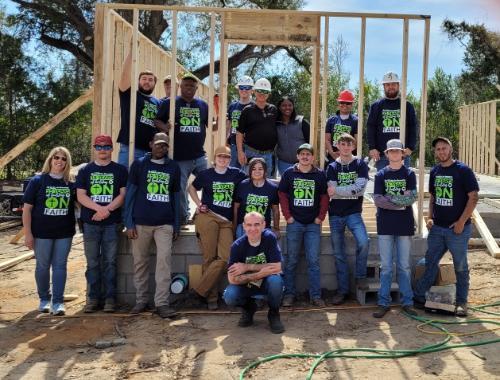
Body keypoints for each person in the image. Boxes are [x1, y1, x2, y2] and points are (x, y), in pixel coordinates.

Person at [414, 137, 479, 317]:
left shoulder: (463, 170)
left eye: (444, 148)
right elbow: (433, 197)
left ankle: (461, 302)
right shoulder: (435, 171)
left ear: (450, 149)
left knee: (460, 266)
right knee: (430, 262)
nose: (441, 151)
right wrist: (429, 217)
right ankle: (419, 297)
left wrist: (460, 222)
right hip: (437, 229)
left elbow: (473, 197)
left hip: (456, 230)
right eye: (438, 149)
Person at [123, 132, 181, 319]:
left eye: (165, 145)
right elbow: (130, 195)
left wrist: (176, 224)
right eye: (158, 144)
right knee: (140, 262)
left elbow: (175, 197)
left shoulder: (173, 167)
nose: (161, 148)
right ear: (150, 144)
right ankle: (141, 301)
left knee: (164, 262)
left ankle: (161, 304)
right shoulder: (139, 165)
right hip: (141, 223)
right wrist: (129, 222)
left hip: (164, 224)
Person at [187, 146, 246, 310]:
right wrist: (198, 205)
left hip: (226, 220)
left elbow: (252, 181)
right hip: (208, 216)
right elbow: (191, 188)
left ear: (229, 159)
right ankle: (211, 298)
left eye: (226, 157)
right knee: (209, 257)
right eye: (220, 156)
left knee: (226, 257)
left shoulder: (236, 174)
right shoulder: (206, 174)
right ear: (214, 158)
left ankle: (199, 291)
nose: (223, 159)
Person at [76, 135, 128, 313]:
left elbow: (122, 195)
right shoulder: (85, 171)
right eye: (99, 147)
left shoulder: (120, 170)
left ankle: (110, 299)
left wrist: (107, 210)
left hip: (112, 223)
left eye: (106, 146)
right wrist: (99, 209)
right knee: (92, 262)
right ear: (94, 149)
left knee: (110, 262)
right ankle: (92, 299)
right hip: (90, 223)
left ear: (112, 149)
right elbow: (81, 195)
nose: (102, 150)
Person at [22, 147, 76, 316]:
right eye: (56, 157)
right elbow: (27, 210)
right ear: (50, 159)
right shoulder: (38, 181)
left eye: (63, 158)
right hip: (42, 233)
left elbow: (79, 204)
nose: (59, 160)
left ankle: (58, 302)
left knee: (60, 266)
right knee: (42, 267)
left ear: (67, 162)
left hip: (64, 232)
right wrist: (28, 234)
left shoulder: (71, 183)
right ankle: (44, 298)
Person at [372, 139, 418, 318]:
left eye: (397, 151)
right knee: (386, 267)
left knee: (404, 266)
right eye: (391, 151)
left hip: (404, 226)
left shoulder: (409, 174)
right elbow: (377, 200)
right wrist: (400, 202)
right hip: (385, 225)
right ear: (386, 154)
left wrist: (389, 199)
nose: (394, 154)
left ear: (403, 154)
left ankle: (407, 302)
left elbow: (411, 198)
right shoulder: (381, 175)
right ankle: (383, 302)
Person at [278, 143, 329, 307]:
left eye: (308, 154)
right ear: (297, 156)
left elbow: (324, 197)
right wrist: (288, 216)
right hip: (295, 223)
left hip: (313, 224)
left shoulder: (319, 174)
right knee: (291, 260)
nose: (305, 157)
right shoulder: (289, 173)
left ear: (313, 157)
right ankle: (289, 294)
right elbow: (282, 195)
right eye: (302, 154)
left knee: (313, 261)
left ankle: (315, 295)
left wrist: (320, 217)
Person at [156, 73, 209, 226]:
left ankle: (201, 213)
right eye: (186, 85)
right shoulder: (170, 103)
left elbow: (211, 126)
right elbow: (157, 120)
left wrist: (221, 117)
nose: (189, 88)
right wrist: (165, 127)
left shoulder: (203, 105)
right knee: (180, 189)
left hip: (199, 155)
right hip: (179, 156)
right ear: (180, 86)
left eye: (192, 86)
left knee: (209, 184)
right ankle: (183, 218)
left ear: (196, 88)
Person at [223, 212, 285, 334]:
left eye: (257, 224)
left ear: (263, 225)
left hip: (267, 283)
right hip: (247, 286)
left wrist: (247, 267)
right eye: (249, 225)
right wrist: (260, 273)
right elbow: (232, 279)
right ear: (244, 226)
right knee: (229, 295)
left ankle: (273, 313)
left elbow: (277, 267)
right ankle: (249, 308)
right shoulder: (237, 246)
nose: (253, 229)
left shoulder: (269, 238)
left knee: (276, 281)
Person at [326, 133, 370, 305]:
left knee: (364, 241)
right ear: (337, 146)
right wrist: (347, 190)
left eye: (348, 144)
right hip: (335, 214)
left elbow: (360, 190)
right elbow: (331, 190)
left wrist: (338, 191)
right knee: (338, 254)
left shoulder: (360, 164)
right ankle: (342, 291)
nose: (345, 147)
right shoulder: (331, 167)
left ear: (353, 146)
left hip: (353, 213)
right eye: (342, 144)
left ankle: (360, 276)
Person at [367, 71, 418, 170]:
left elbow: (413, 127)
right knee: (383, 184)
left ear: (398, 85)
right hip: (382, 155)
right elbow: (370, 127)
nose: (391, 87)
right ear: (383, 86)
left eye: (394, 84)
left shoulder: (407, 105)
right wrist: (372, 147)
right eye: (388, 84)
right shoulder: (376, 106)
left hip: (402, 155)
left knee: (402, 183)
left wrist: (411, 147)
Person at [117, 52, 161, 167]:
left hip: (150, 152)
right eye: (144, 79)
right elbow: (124, 76)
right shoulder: (130, 95)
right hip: (130, 148)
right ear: (138, 81)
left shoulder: (158, 103)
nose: (147, 81)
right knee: (125, 182)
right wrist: (132, 51)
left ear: (155, 84)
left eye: (151, 80)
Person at [236, 77, 277, 177]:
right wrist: (240, 152)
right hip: (251, 153)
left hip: (268, 154)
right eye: (259, 90)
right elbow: (239, 132)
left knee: (268, 183)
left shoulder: (273, 109)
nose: (262, 93)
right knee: (249, 182)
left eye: (265, 91)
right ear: (254, 91)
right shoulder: (247, 110)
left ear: (269, 93)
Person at [233, 157, 280, 239]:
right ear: (250, 170)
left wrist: (276, 228)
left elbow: (275, 210)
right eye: (254, 169)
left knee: (260, 252)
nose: (257, 171)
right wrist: (234, 227)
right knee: (244, 251)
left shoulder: (272, 188)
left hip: (263, 228)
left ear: (265, 170)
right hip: (244, 228)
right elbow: (236, 208)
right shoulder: (242, 185)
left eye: (260, 169)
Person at [275, 96, 310, 175]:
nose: (287, 107)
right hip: (283, 163)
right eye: (284, 105)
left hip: (302, 163)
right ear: (279, 107)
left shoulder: (302, 121)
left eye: (290, 105)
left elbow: (311, 142)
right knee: (286, 187)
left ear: (293, 106)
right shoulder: (276, 124)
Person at [227, 76, 254, 168]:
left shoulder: (255, 106)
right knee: (233, 173)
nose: (244, 90)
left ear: (252, 90)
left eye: (247, 88)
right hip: (233, 145)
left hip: (249, 147)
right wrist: (226, 143)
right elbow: (228, 126)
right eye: (241, 87)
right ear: (238, 89)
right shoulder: (232, 106)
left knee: (248, 174)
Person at [325, 90, 358, 163]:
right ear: (338, 104)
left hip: (349, 159)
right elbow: (327, 140)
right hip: (333, 158)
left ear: (352, 104)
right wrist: (332, 154)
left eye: (348, 103)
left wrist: (345, 154)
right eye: (342, 102)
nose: (345, 105)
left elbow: (356, 141)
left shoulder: (356, 121)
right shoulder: (331, 120)